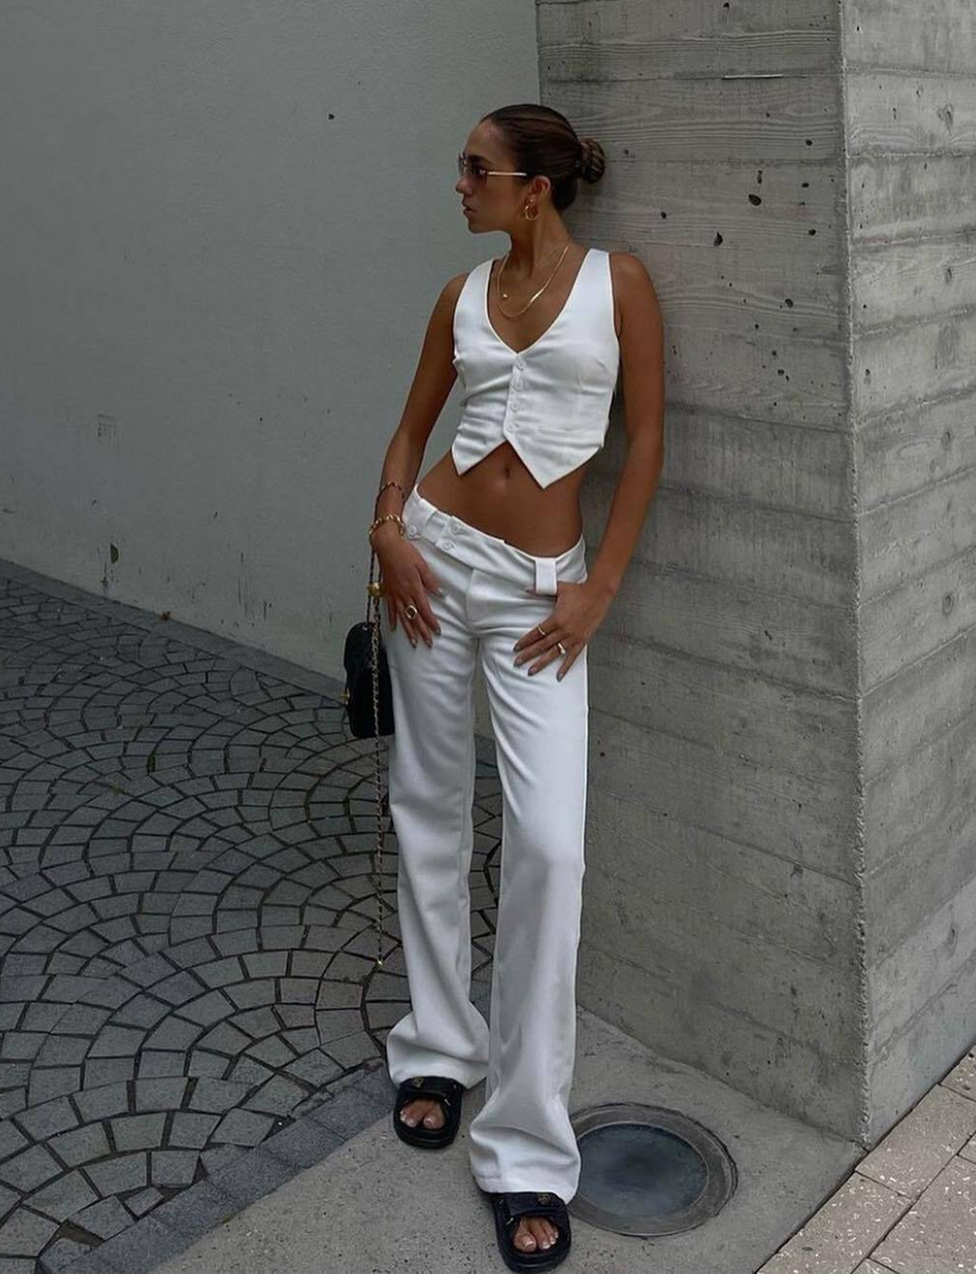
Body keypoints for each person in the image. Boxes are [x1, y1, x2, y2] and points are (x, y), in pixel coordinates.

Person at [367, 102, 664, 1269]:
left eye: (476, 169)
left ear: (534, 187)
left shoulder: (619, 284)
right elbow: (410, 427)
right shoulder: (456, 295)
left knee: (547, 843)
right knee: (428, 806)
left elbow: (644, 442)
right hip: (435, 561)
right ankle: (438, 1043)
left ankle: (529, 1147)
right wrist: (387, 526)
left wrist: (599, 587)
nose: (460, 185)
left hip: (547, 593)